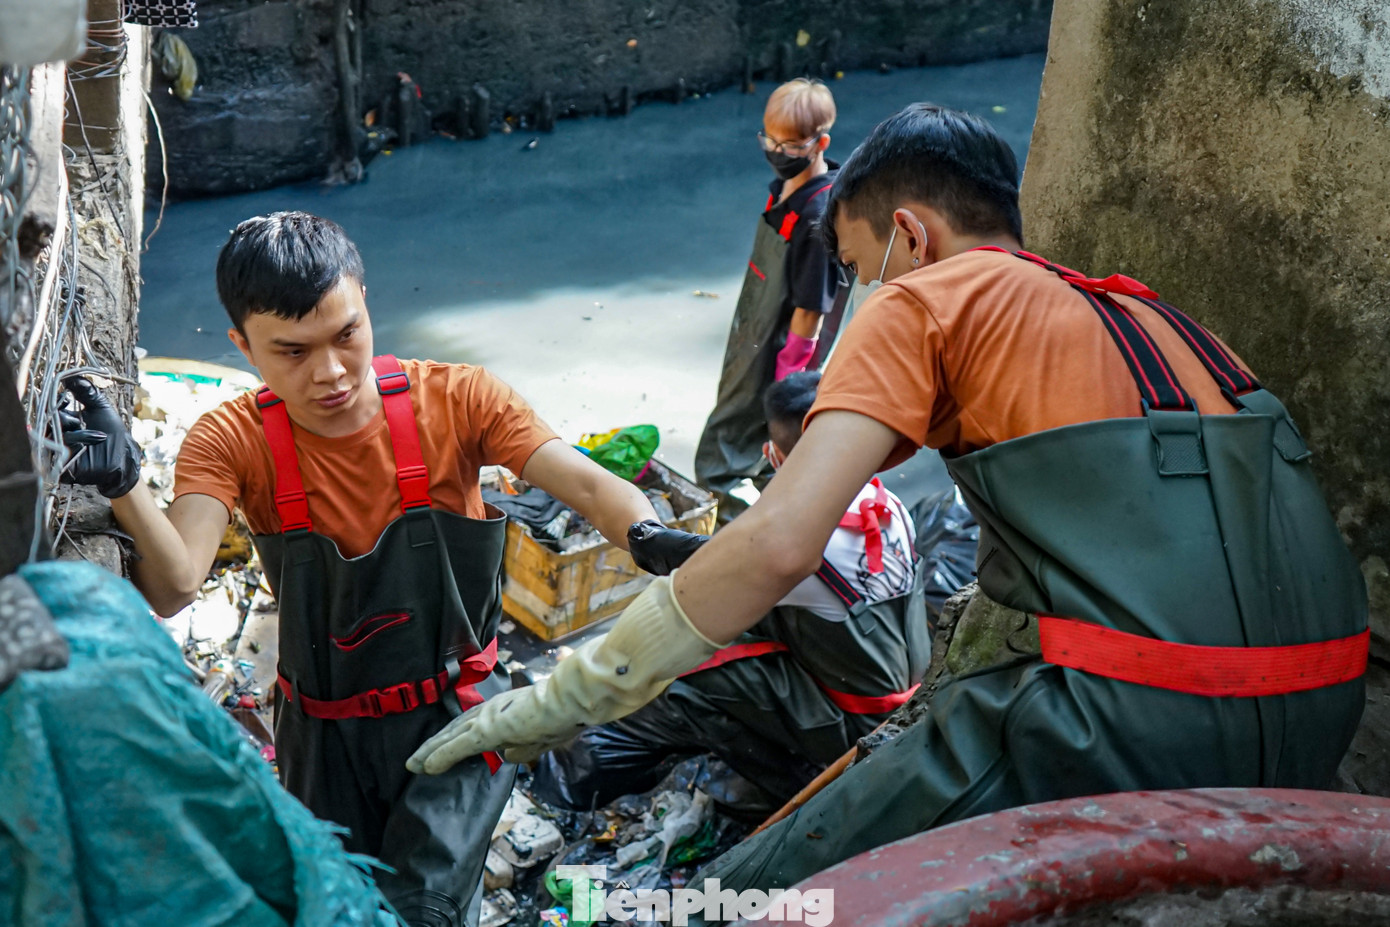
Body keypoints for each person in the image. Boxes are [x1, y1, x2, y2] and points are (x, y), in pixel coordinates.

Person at [404, 103, 1368, 899]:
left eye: (861, 269)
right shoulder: (1157, 317)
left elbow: (778, 543)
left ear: (910, 234)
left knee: (761, 893)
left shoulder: (924, 298)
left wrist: (565, 699)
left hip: (1139, 715)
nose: (866, 293)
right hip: (1331, 704)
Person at [56, 211, 694, 927]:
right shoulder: (231, 439)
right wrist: (126, 483)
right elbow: (175, 585)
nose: (329, 371)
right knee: (331, 904)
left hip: (458, 713)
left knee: (425, 911)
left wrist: (645, 533)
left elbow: (590, 486)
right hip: (320, 733)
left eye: (346, 334)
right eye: (292, 351)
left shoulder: (458, 398)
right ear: (243, 346)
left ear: (364, 300)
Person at [529, 371, 929, 815]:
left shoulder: (796, 543)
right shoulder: (881, 499)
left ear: (771, 454)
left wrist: (649, 542)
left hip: (854, 721)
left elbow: (704, 581)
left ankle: (796, 788)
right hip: (898, 686)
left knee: (683, 681)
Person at [694, 77, 847, 523]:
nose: (778, 153)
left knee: (724, 451)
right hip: (751, 335)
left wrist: (788, 378)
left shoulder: (817, 215)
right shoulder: (783, 188)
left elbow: (810, 310)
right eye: (771, 141)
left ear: (821, 143)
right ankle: (773, 519)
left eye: (791, 145)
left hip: (779, 353)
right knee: (757, 449)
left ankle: (728, 539)